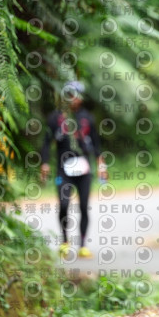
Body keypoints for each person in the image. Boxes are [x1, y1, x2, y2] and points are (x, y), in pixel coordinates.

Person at [40, 81, 107, 259]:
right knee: (64, 205)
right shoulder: (55, 118)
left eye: (76, 95)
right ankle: (64, 242)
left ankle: (83, 245)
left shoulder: (87, 118)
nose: (73, 99)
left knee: (84, 206)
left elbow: (96, 144)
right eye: (70, 95)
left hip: (84, 169)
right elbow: (46, 142)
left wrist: (101, 165)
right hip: (63, 170)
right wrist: (44, 163)